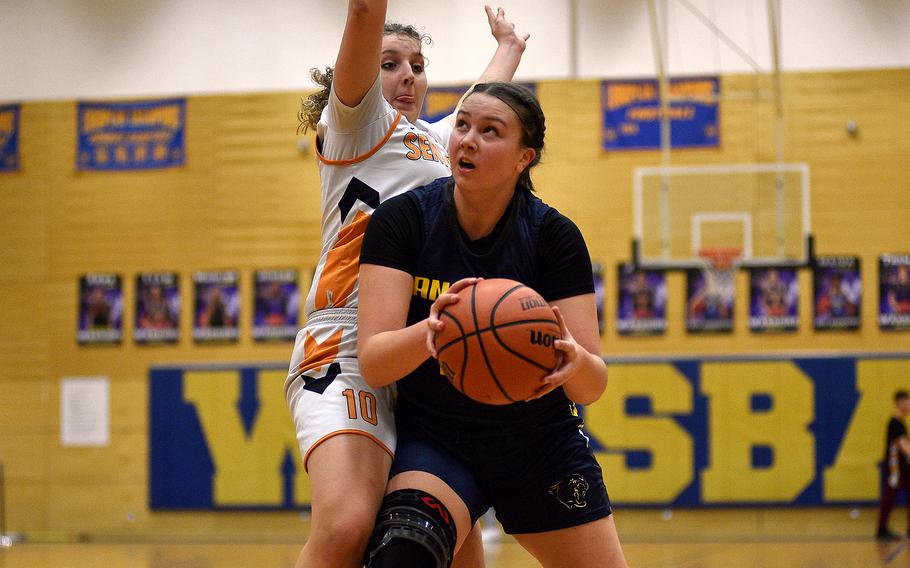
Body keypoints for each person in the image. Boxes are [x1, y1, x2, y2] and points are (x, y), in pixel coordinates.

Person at [283, 3, 528, 567]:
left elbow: (483, 101)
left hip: (425, 356)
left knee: (456, 547)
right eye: (391, 63)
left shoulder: (444, 143)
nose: (409, 74)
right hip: (346, 349)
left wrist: (509, 46)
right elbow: (365, 14)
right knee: (346, 525)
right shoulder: (356, 124)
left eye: (418, 64)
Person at [358, 82, 627, 567]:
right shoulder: (403, 221)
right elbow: (375, 363)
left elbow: (593, 385)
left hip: (538, 444)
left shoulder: (554, 237)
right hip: (438, 441)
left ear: (524, 157)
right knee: (400, 557)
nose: (467, 139)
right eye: (462, 125)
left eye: (490, 131)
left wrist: (574, 361)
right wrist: (429, 334)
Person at [876, 390, 910, 540]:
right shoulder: (895, 423)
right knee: (889, 498)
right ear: (900, 403)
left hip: (903, 467)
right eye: (907, 401)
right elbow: (904, 447)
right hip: (894, 468)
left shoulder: (900, 422)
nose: (909, 404)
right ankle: (881, 530)